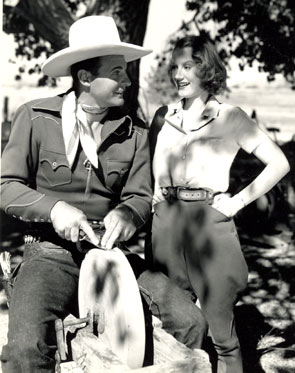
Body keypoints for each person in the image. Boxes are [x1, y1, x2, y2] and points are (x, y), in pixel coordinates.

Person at [0, 16, 207, 372]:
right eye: (117, 71)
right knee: (24, 352)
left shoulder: (135, 133)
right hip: (49, 252)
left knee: (191, 323)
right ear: (84, 78)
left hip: (112, 252)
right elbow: (6, 186)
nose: (127, 80)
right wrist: (54, 209)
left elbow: (141, 196)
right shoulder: (35, 118)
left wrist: (127, 216)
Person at [149, 35, 290, 373]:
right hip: (165, 225)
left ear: (206, 68)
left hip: (210, 226)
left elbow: (279, 163)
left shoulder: (230, 117)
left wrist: (238, 201)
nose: (178, 75)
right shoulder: (162, 116)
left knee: (222, 335)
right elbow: (151, 163)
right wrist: (156, 194)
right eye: (174, 68)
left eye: (188, 66)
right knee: (176, 325)